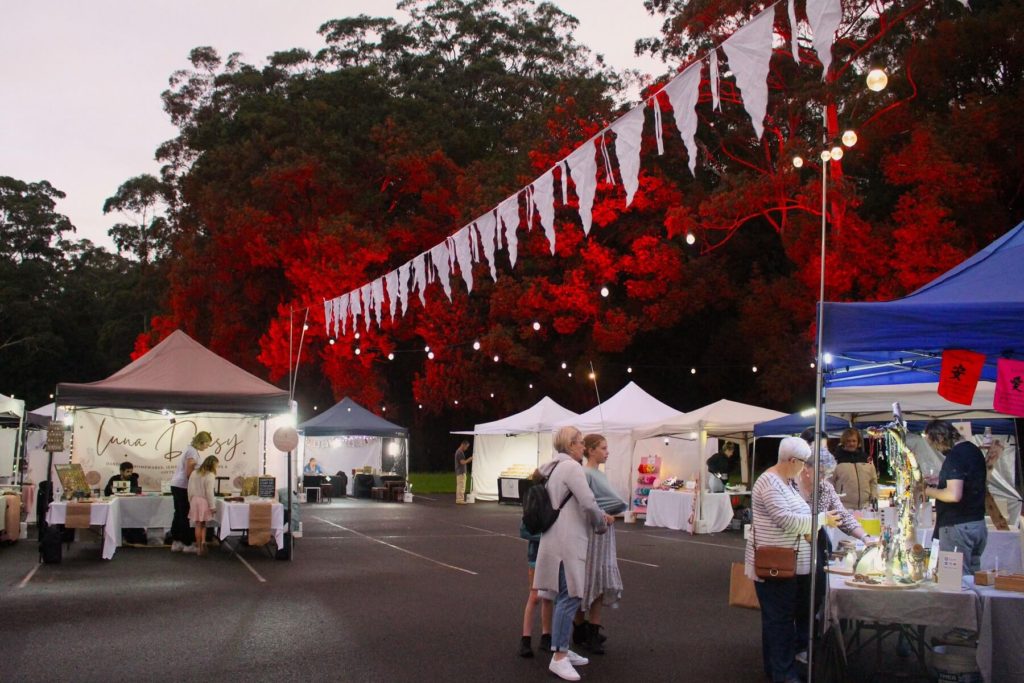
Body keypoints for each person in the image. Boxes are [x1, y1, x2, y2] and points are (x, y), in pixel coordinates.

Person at [746, 436, 839, 683]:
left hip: (787, 565)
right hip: (775, 566)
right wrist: (821, 520)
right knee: (780, 622)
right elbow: (789, 521)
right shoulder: (770, 483)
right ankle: (783, 674)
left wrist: (812, 524)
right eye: (804, 463)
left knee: (780, 622)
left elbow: (797, 519)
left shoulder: (786, 482)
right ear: (793, 460)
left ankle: (778, 669)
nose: (804, 469)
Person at [533, 426, 611, 682]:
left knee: (566, 596)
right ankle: (560, 656)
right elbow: (588, 502)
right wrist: (601, 524)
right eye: (579, 442)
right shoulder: (571, 468)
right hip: (568, 541)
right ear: (571, 446)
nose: (582, 446)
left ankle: (561, 648)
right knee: (571, 596)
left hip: (555, 538)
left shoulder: (552, 467)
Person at [795, 430, 873, 664]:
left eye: (826, 474)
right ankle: (798, 643)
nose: (824, 478)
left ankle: (809, 640)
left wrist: (865, 537)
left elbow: (842, 516)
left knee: (816, 590)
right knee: (798, 595)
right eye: (820, 473)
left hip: (816, 542)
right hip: (794, 544)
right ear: (806, 469)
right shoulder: (790, 486)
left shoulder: (825, 488)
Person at [573, 434, 626, 655]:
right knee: (588, 581)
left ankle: (590, 630)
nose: (607, 452)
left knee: (600, 580)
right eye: (603, 448)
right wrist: (603, 515)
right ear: (591, 450)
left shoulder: (598, 474)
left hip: (604, 534)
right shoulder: (585, 474)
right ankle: (580, 628)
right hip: (594, 533)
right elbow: (585, 504)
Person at [921, 419, 988, 574]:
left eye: (934, 444)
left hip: (957, 526)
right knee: (973, 576)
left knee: (955, 579)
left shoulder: (955, 456)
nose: (937, 449)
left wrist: (928, 491)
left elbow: (953, 495)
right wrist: (940, 481)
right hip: (977, 523)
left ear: (939, 438)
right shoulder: (973, 450)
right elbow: (967, 482)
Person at [519, 476, 553, 658]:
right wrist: (546, 538)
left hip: (548, 556)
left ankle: (546, 636)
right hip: (536, 557)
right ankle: (526, 638)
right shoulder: (534, 507)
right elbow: (524, 531)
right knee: (535, 596)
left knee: (548, 597)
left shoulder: (548, 504)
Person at [169, 431, 212, 554]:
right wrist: (196, 487)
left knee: (178, 514)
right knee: (184, 515)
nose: (207, 447)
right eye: (207, 444)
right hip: (183, 486)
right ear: (201, 442)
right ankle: (187, 543)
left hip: (177, 485)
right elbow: (189, 473)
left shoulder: (190, 450)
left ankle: (176, 542)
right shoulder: (192, 451)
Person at [831, 428, 877, 510]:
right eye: (848, 441)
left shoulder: (866, 458)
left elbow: (873, 481)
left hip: (865, 507)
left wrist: (874, 497)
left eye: (854, 441)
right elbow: (830, 483)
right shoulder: (835, 459)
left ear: (858, 442)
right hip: (843, 507)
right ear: (844, 442)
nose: (851, 443)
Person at [187, 455, 219, 556]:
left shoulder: (194, 473)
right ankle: (203, 544)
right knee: (203, 524)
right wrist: (212, 506)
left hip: (194, 500)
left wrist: (190, 500)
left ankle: (199, 547)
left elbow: (189, 489)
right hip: (204, 501)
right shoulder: (210, 475)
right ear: (213, 465)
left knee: (197, 524)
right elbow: (209, 492)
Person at [454, 440, 472, 505]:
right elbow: (462, 462)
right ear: (463, 445)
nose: (466, 448)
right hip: (461, 472)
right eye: (466, 447)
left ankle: (459, 499)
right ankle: (460, 499)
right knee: (461, 486)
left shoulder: (458, 451)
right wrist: (469, 459)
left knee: (460, 486)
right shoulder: (459, 452)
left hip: (459, 472)